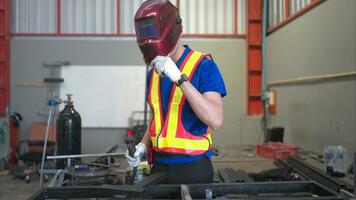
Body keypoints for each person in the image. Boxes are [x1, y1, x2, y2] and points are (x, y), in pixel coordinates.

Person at [126, 0, 227, 184]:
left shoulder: (203, 65)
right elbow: (158, 118)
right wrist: (142, 144)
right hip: (159, 166)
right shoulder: (155, 72)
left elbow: (216, 119)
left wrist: (179, 78)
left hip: (193, 168)